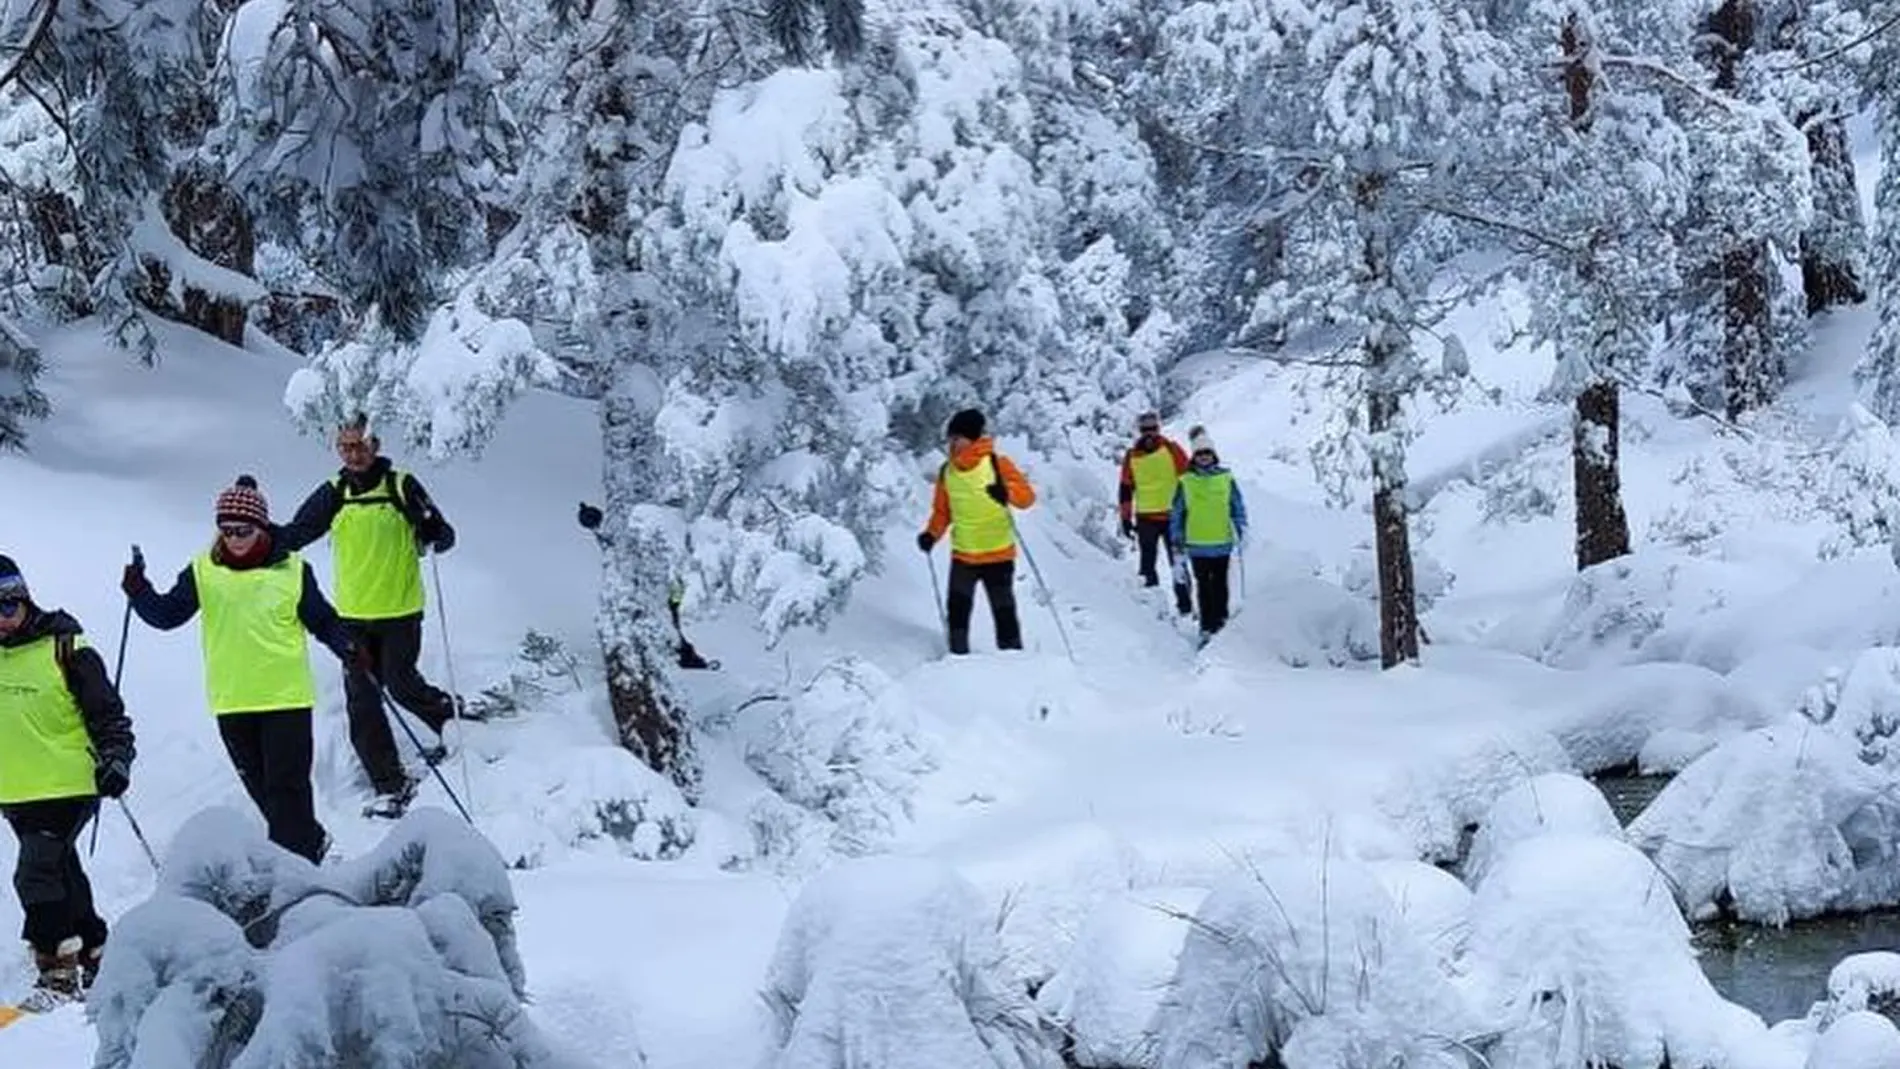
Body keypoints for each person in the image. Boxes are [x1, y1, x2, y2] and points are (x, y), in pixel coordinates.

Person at [123, 476, 356, 862]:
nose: (234, 539)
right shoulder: (203, 570)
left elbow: (323, 621)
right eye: (227, 530)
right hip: (233, 700)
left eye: (243, 530)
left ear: (261, 527)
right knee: (264, 792)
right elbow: (167, 615)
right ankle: (313, 846)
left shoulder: (293, 570)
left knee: (287, 791)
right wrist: (139, 591)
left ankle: (295, 873)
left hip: (285, 698)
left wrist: (347, 645)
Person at [276, 415, 468, 819]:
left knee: (400, 683)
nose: (354, 454)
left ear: (375, 445)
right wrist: (258, 539)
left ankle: (454, 723)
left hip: (400, 611)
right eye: (345, 447)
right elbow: (297, 533)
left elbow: (443, 534)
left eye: (360, 445)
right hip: (352, 617)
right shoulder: (335, 492)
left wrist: (434, 531)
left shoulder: (401, 485)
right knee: (362, 702)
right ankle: (389, 782)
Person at [0, 556, 134, 1008]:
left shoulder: (65, 647)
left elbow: (108, 714)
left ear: (24, 600)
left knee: (35, 873)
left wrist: (116, 758)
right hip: (16, 789)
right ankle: (98, 953)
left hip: (69, 783)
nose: (1, 619)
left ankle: (57, 973)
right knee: (61, 871)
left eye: (7, 607)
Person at [916, 408, 1037, 655]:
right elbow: (942, 512)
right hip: (964, 555)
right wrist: (931, 535)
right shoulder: (947, 472)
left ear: (972, 439)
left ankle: (1016, 662)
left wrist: (1006, 493)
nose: (952, 444)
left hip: (998, 554)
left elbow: (1027, 498)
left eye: (957, 438)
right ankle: (957, 660)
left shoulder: (997, 464)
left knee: (1004, 613)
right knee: (957, 612)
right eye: (950, 439)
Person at [1169, 427, 1248, 642]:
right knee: (1203, 586)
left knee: (1220, 585)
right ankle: (1206, 627)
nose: (1204, 457)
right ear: (1194, 457)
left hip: (1222, 542)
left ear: (1214, 455)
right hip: (1197, 544)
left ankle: (1220, 624)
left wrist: (1242, 529)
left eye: (1207, 453)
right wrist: (1176, 537)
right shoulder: (1185, 481)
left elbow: (1237, 506)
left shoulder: (1226, 478)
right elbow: (1177, 512)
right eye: (1200, 453)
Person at [1118, 411, 1191, 616]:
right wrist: (1125, 518)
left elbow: (1189, 479)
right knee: (1147, 564)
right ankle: (1152, 608)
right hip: (1146, 519)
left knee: (1178, 564)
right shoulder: (1131, 457)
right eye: (1145, 430)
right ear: (1140, 431)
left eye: (1153, 429)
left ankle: (1186, 608)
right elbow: (1125, 489)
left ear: (1158, 429)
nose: (1149, 433)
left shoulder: (1172, 449)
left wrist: (1191, 509)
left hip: (1173, 517)